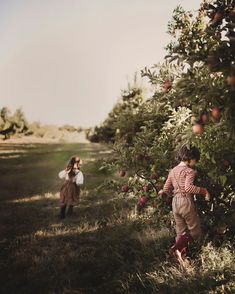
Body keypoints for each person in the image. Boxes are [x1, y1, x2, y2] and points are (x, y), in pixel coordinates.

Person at [160, 144, 210, 260]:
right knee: (195, 232)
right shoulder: (189, 171)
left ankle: (181, 259)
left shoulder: (172, 171)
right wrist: (204, 191)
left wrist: (162, 193)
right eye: (195, 160)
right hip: (185, 201)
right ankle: (176, 248)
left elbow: (166, 188)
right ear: (190, 158)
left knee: (180, 233)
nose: (195, 163)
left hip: (175, 203)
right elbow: (188, 188)